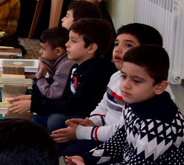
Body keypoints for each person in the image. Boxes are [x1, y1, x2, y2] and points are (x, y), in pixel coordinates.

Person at [65, 45, 184, 165]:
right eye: (124, 76)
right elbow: (119, 139)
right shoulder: (134, 101)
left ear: (159, 86)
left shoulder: (159, 120)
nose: (125, 85)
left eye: (137, 81)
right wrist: (85, 159)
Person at [53, 23, 164, 156]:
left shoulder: (140, 91)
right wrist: (92, 121)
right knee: (56, 144)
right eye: (117, 44)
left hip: (117, 142)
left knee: (70, 153)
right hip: (101, 130)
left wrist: (82, 132)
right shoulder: (116, 76)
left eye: (128, 45)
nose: (118, 49)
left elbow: (122, 131)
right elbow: (104, 105)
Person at [7, 18, 116, 132]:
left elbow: (75, 105)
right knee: (38, 118)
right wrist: (34, 100)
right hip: (73, 109)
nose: (66, 44)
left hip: (87, 117)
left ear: (91, 48)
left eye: (73, 41)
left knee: (56, 120)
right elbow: (65, 98)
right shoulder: (76, 67)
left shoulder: (97, 71)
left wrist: (34, 104)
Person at [34, 26, 71, 100]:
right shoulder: (61, 61)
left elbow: (51, 94)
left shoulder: (65, 65)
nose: (40, 52)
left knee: (37, 89)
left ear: (58, 51)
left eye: (43, 48)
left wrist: (40, 77)